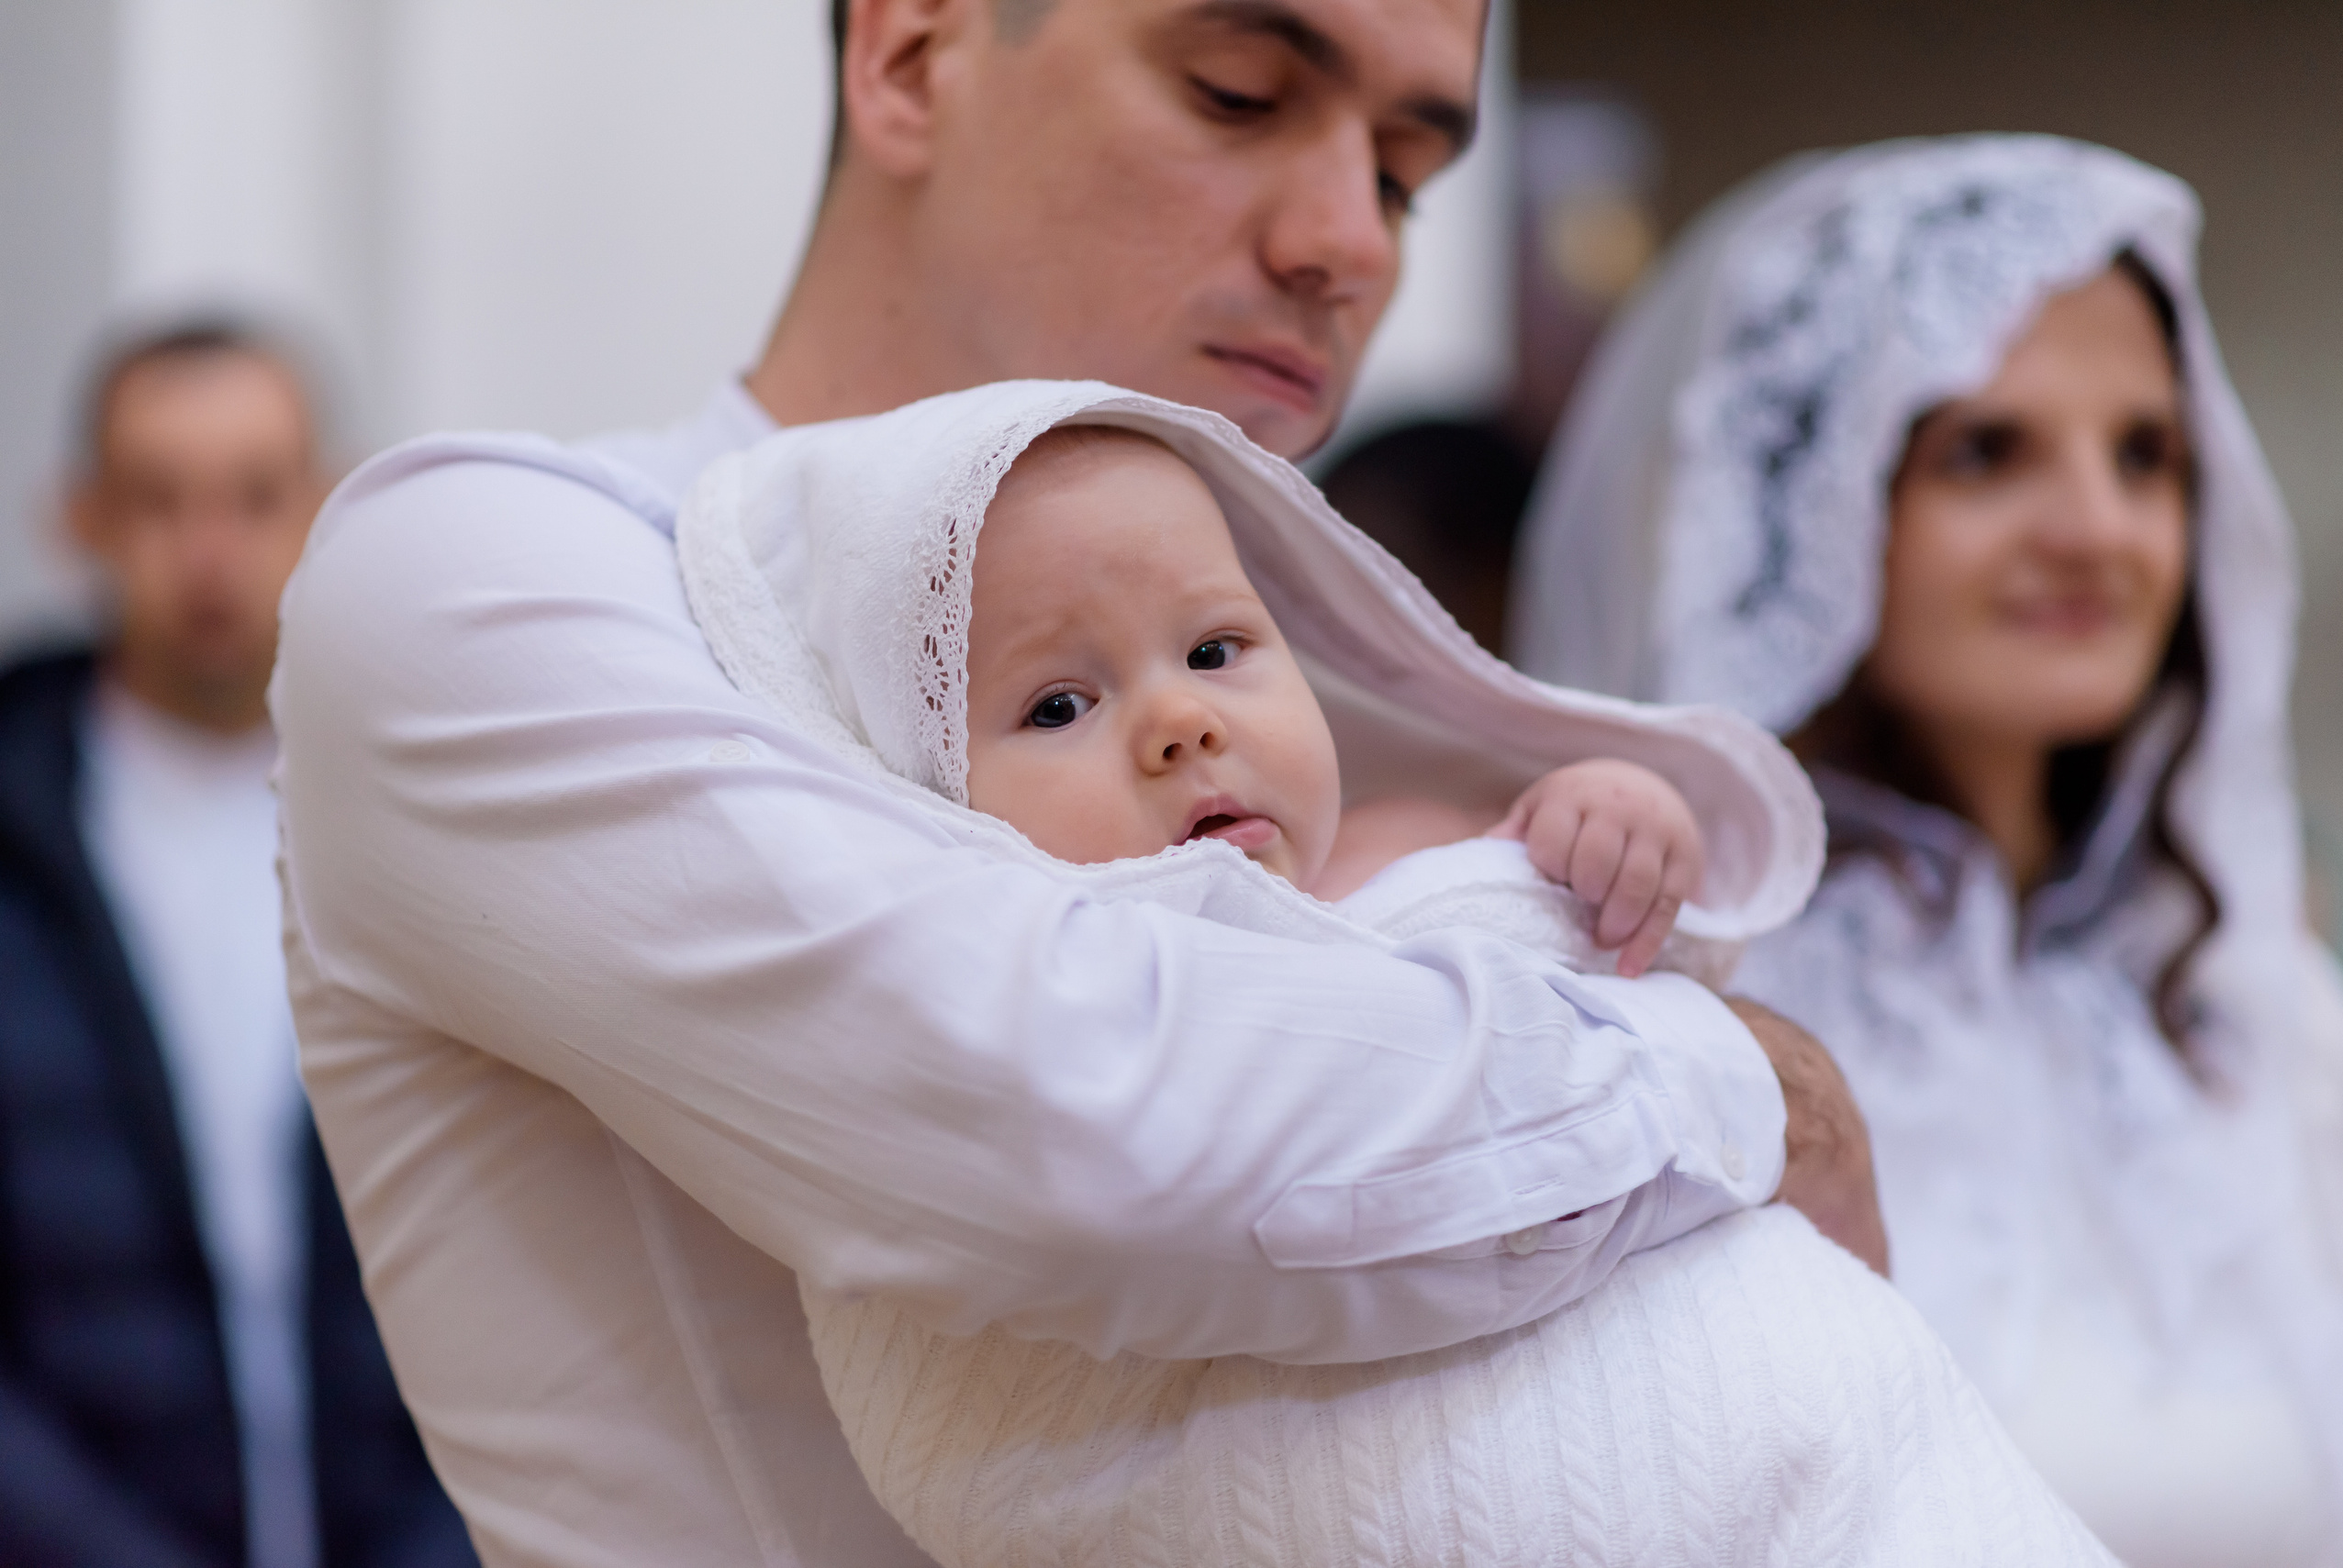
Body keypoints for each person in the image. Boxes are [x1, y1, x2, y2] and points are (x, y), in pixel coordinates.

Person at [270, 2, 1881, 1562]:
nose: (1354, 242)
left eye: (1401, 170)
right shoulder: (492, 578)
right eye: (1240, 92)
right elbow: (1079, 1120)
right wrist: (1742, 1083)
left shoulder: (1306, 699)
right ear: (912, 53)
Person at [675, 376, 2116, 1567]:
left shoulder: (1409, 840)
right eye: (1060, 700)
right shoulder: (1001, 1005)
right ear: (925, 794)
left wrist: (1612, 821)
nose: (1179, 719)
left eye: (1218, 645)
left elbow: (1630, 949)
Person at [1511, 134, 2343, 1565]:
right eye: (1986, 451)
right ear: (1808, 512)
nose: (2099, 528)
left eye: (2146, 455)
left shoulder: (2232, 995)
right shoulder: (1679, 996)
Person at [0, 322, 474, 1567]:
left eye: (255, 496)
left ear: (325, 503)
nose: (209, 552)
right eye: (159, 498)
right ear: (83, 517)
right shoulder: (22, 831)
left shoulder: (454, 819)